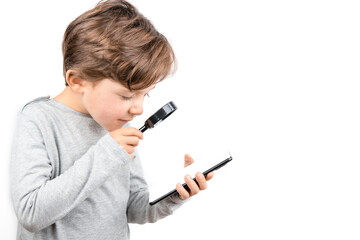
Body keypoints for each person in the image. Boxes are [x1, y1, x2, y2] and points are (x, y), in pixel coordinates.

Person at [10, 0, 214, 239]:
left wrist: (174, 193)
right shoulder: (38, 120)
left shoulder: (118, 123)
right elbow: (30, 213)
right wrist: (106, 153)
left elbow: (135, 208)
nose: (138, 108)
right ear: (77, 81)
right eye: (127, 95)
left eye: (144, 94)